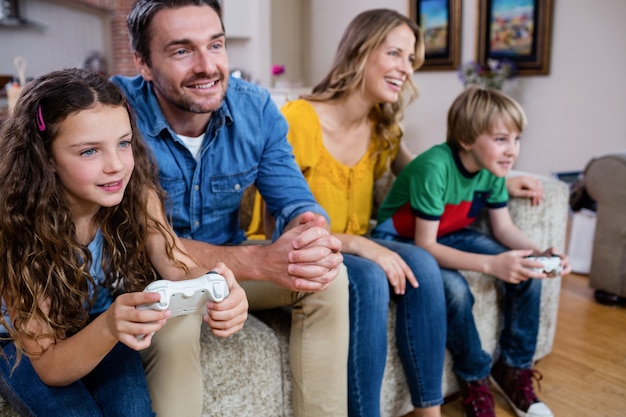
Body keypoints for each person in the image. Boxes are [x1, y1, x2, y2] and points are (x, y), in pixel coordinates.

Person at [112, 0, 349, 416]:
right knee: (173, 320)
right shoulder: (116, 113)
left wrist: (309, 232)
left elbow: (296, 202)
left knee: (328, 277)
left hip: (228, 271)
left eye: (216, 45)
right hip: (149, 276)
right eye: (182, 50)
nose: (207, 66)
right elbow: (150, 242)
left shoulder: (255, 108)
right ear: (143, 63)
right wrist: (260, 261)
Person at [0, 68, 248, 417]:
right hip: (22, 344)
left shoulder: (137, 196)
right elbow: (51, 367)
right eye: (89, 152)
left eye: (123, 143)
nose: (116, 165)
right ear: (46, 158)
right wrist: (110, 326)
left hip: (101, 319)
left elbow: (177, 263)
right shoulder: (19, 226)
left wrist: (216, 286)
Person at [248, 9, 446, 417]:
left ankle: (431, 411)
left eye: (411, 59)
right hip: (305, 251)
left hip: (356, 244)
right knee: (371, 276)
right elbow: (278, 230)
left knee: (423, 265)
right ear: (361, 51)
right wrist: (361, 246)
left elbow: (426, 175)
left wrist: (500, 178)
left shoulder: (383, 126)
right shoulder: (298, 120)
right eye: (395, 54)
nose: (406, 69)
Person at [372, 86, 571, 417]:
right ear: (466, 140)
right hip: (403, 242)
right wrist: (493, 264)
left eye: (516, 139)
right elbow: (426, 246)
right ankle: (475, 378)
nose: (512, 151)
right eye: (501, 139)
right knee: (455, 291)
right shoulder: (434, 168)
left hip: (449, 234)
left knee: (528, 269)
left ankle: (513, 369)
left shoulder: (493, 171)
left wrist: (540, 251)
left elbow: (504, 229)